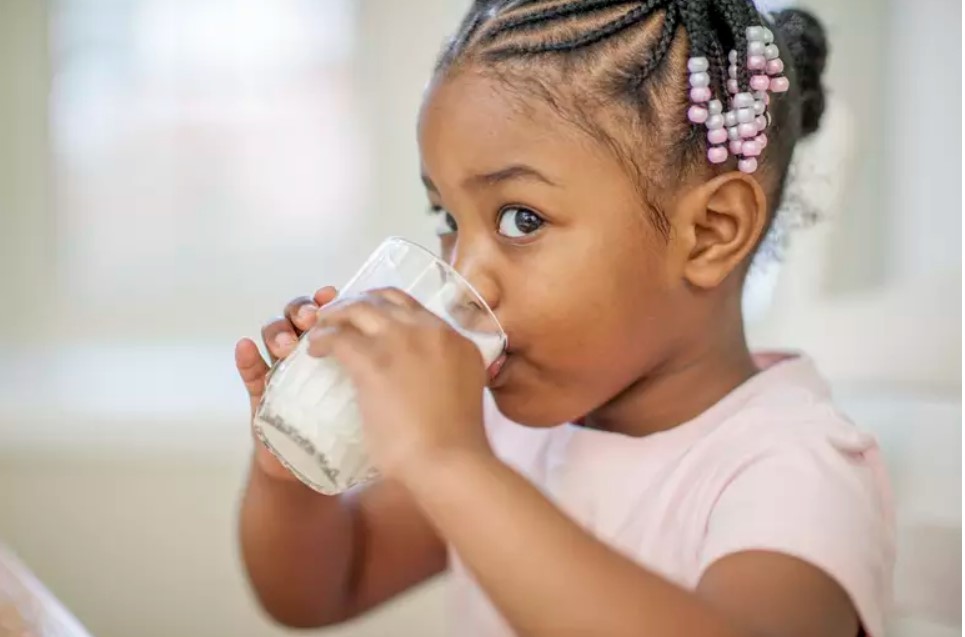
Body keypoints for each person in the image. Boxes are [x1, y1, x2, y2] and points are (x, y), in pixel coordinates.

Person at [234, 2, 894, 636]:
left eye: (521, 219)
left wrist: (450, 461)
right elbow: (323, 588)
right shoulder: (498, 430)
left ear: (709, 232)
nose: (465, 275)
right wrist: (289, 472)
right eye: (446, 220)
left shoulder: (792, 468)